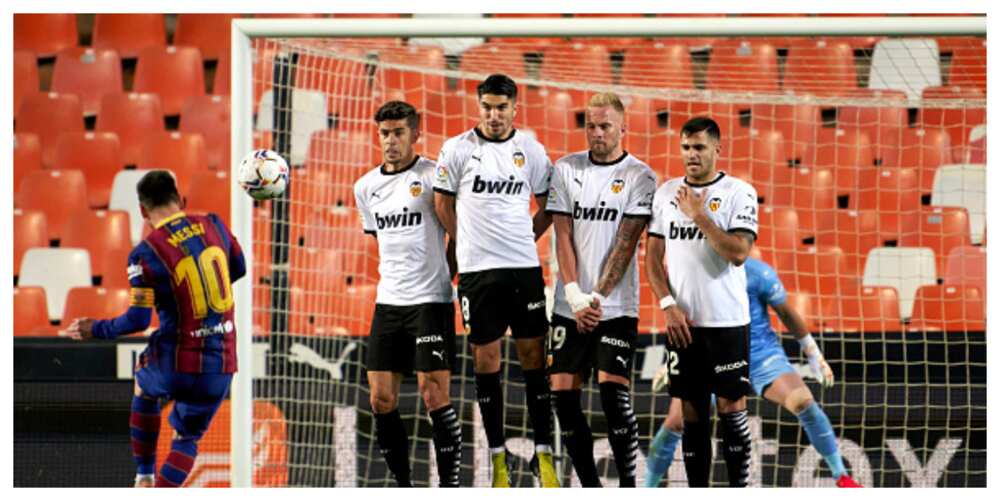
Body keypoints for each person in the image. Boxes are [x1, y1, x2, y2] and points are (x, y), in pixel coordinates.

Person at [62, 170, 246, 487]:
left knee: (143, 386)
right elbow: (238, 268)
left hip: (175, 362)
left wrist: (96, 328)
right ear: (181, 200)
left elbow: (139, 320)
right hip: (222, 362)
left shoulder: (145, 254)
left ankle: (144, 475)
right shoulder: (214, 224)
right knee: (186, 438)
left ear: (143, 212)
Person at [433, 74, 557, 487]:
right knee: (486, 362)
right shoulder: (457, 149)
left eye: (501, 107)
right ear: (478, 106)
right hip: (476, 274)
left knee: (534, 359)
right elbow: (441, 202)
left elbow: (549, 206)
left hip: (523, 270)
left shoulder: (532, 151)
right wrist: (465, 241)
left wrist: (526, 237)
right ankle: (499, 461)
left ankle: (544, 457)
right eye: (487, 106)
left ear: (514, 108)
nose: (494, 115)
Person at [643, 256, 863, 488]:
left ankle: (841, 477)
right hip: (709, 355)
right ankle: (647, 488)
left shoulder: (757, 273)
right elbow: (682, 318)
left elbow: (786, 313)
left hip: (759, 354)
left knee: (803, 402)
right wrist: (671, 360)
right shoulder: (693, 271)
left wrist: (812, 353)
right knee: (677, 422)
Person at [545, 92, 656, 487]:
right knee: (562, 398)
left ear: (623, 128)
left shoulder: (641, 176)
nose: (596, 133)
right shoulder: (565, 169)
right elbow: (562, 235)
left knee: (613, 398)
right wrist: (574, 295)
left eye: (605, 126)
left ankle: (629, 486)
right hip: (568, 306)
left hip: (616, 307)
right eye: (590, 125)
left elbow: (626, 243)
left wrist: (596, 298)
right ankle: (590, 488)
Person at [644, 116, 757, 487]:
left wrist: (700, 216)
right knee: (691, 416)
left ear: (717, 149)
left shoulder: (740, 192)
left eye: (700, 147)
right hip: (683, 325)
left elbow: (738, 252)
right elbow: (652, 259)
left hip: (727, 322)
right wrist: (666, 304)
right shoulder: (665, 194)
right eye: (686, 147)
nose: (691, 155)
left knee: (731, 410)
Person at [353, 100, 462, 487]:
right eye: (385, 133)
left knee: (435, 395)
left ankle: (449, 488)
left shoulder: (434, 176)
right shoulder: (365, 187)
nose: (391, 140)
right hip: (388, 303)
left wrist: (449, 272)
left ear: (416, 134)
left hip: (431, 301)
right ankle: (404, 486)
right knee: (380, 400)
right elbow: (381, 240)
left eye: (399, 132)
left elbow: (457, 230)